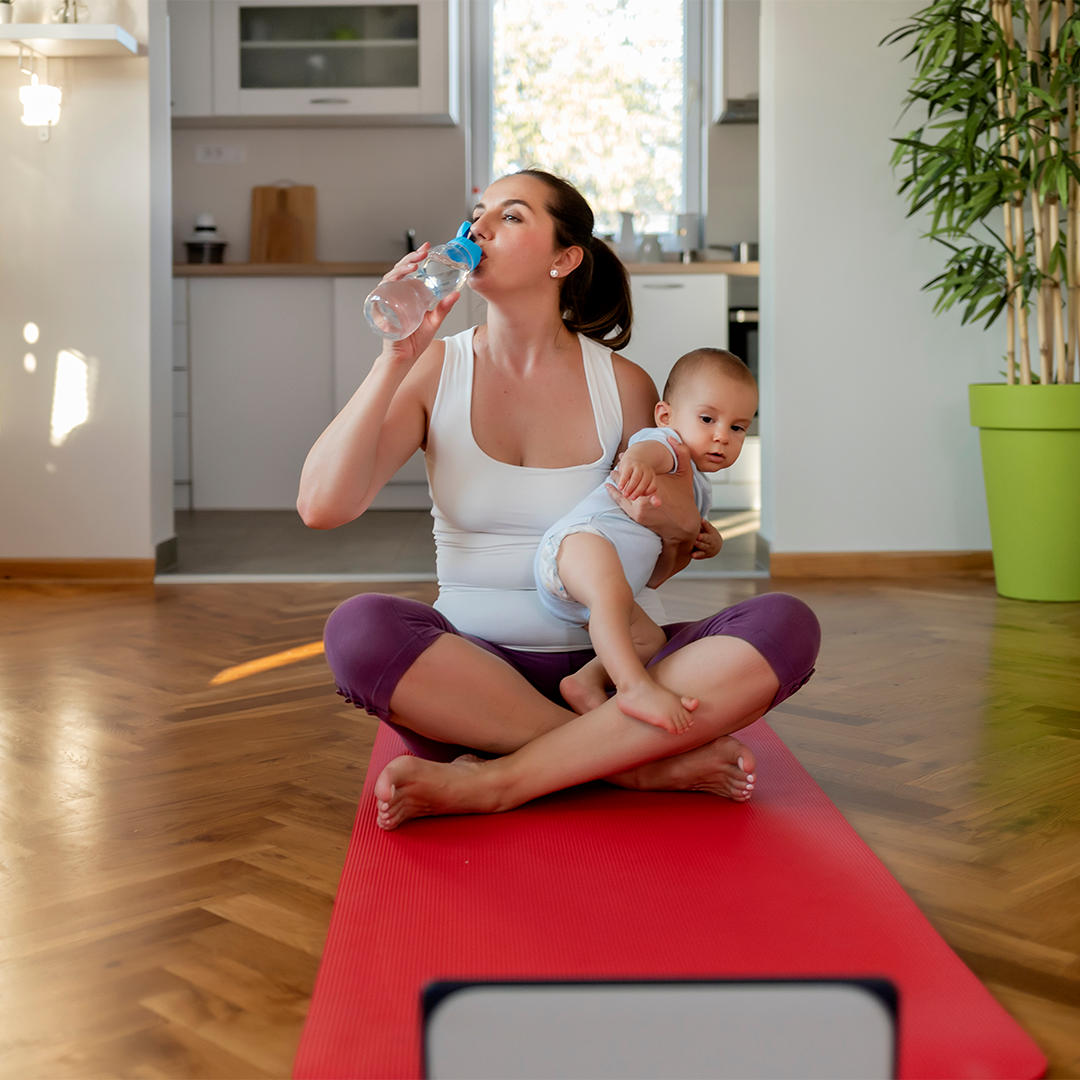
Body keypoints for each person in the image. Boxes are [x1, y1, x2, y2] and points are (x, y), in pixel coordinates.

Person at [297, 167, 820, 831]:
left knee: (785, 625)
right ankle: (631, 763)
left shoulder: (624, 384)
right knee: (357, 630)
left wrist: (680, 526)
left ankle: (503, 778)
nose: (478, 228)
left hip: (619, 666)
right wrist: (393, 359)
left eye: (511, 216)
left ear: (564, 259)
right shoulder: (437, 369)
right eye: (477, 214)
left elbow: (664, 559)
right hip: (477, 680)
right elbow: (322, 506)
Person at [536, 348, 759, 736]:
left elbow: (677, 545)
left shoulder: (701, 489)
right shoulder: (671, 448)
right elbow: (647, 450)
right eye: (707, 419)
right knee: (613, 595)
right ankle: (633, 686)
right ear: (666, 416)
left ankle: (585, 682)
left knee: (649, 640)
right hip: (580, 543)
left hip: (599, 589)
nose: (722, 436)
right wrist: (637, 461)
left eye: (738, 428)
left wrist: (712, 539)